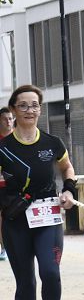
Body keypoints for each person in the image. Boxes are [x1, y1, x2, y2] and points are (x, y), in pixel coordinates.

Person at [0, 85, 78, 300]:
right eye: (23, 105)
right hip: (15, 222)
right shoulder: (3, 148)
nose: (29, 110)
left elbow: (66, 167)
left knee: (51, 271)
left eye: (34, 105)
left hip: (47, 218)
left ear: (40, 110)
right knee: (25, 281)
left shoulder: (52, 143)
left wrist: (68, 190)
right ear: (13, 110)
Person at [0, 106, 13, 261]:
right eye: (5, 119)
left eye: (11, 119)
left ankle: (7, 247)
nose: (9, 122)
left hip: (13, 188)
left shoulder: (17, 139)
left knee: (9, 218)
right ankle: (4, 248)